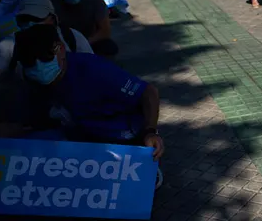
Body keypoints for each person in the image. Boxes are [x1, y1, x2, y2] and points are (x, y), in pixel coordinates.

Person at [13, 24, 164, 186]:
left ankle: (143, 164)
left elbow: (149, 92)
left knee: (130, 186)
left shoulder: (95, 70)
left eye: (44, 57)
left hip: (119, 135)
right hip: (79, 133)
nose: (37, 65)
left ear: (61, 50)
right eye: (29, 61)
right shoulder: (29, 78)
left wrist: (150, 132)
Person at [0, 0, 92, 138]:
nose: (30, 24)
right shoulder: (9, 45)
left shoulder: (73, 37)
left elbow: (91, 75)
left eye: (36, 19)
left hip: (72, 101)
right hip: (30, 104)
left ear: (53, 19)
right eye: (24, 20)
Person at [48, 0, 119, 58]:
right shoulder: (51, 3)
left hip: (91, 40)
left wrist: (84, 45)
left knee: (109, 48)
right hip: (66, 45)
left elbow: (105, 30)